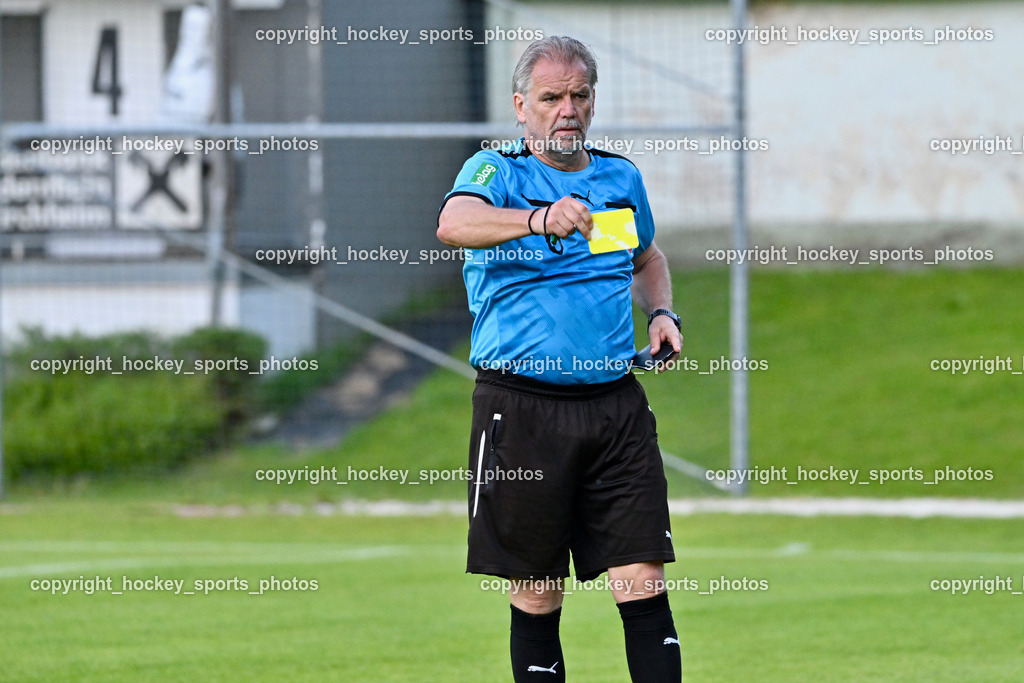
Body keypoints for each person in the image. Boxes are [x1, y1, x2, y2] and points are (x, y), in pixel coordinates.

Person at [437, 35, 683, 682]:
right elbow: (456, 223)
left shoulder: (618, 177)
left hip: (615, 407)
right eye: (551, 97)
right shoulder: (497, 171)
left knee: (643, 579)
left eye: (578, 95)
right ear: (522, 106)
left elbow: (647, 256)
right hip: (521, 409)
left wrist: (661, 313)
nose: (566, 108)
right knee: (538, 591)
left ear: (593, 102)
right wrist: (540, 217)